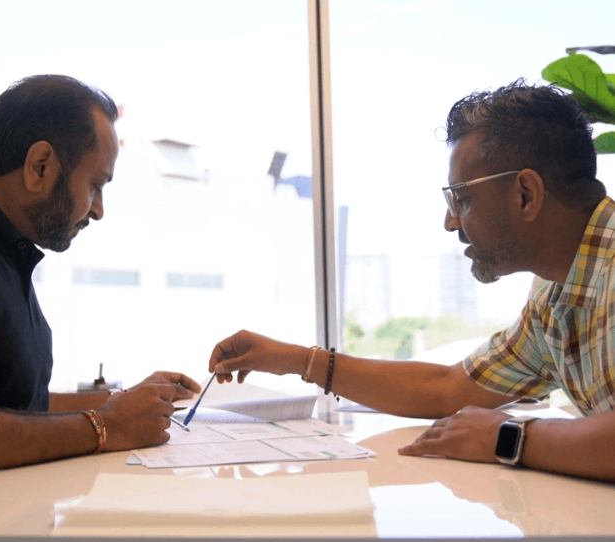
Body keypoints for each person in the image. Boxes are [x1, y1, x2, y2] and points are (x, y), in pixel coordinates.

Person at [209, 80, 615, 483]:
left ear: (526, 194)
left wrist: (508, 439)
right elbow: (449, 388)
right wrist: (295, 360)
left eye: (462, 198)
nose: (450, 222)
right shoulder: (554, 293)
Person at [0, 75, 200, 486]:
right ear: (39, 166)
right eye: (95, 185)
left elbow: (15, 404)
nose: (98, 210)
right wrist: (105, 427)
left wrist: (121, 404)